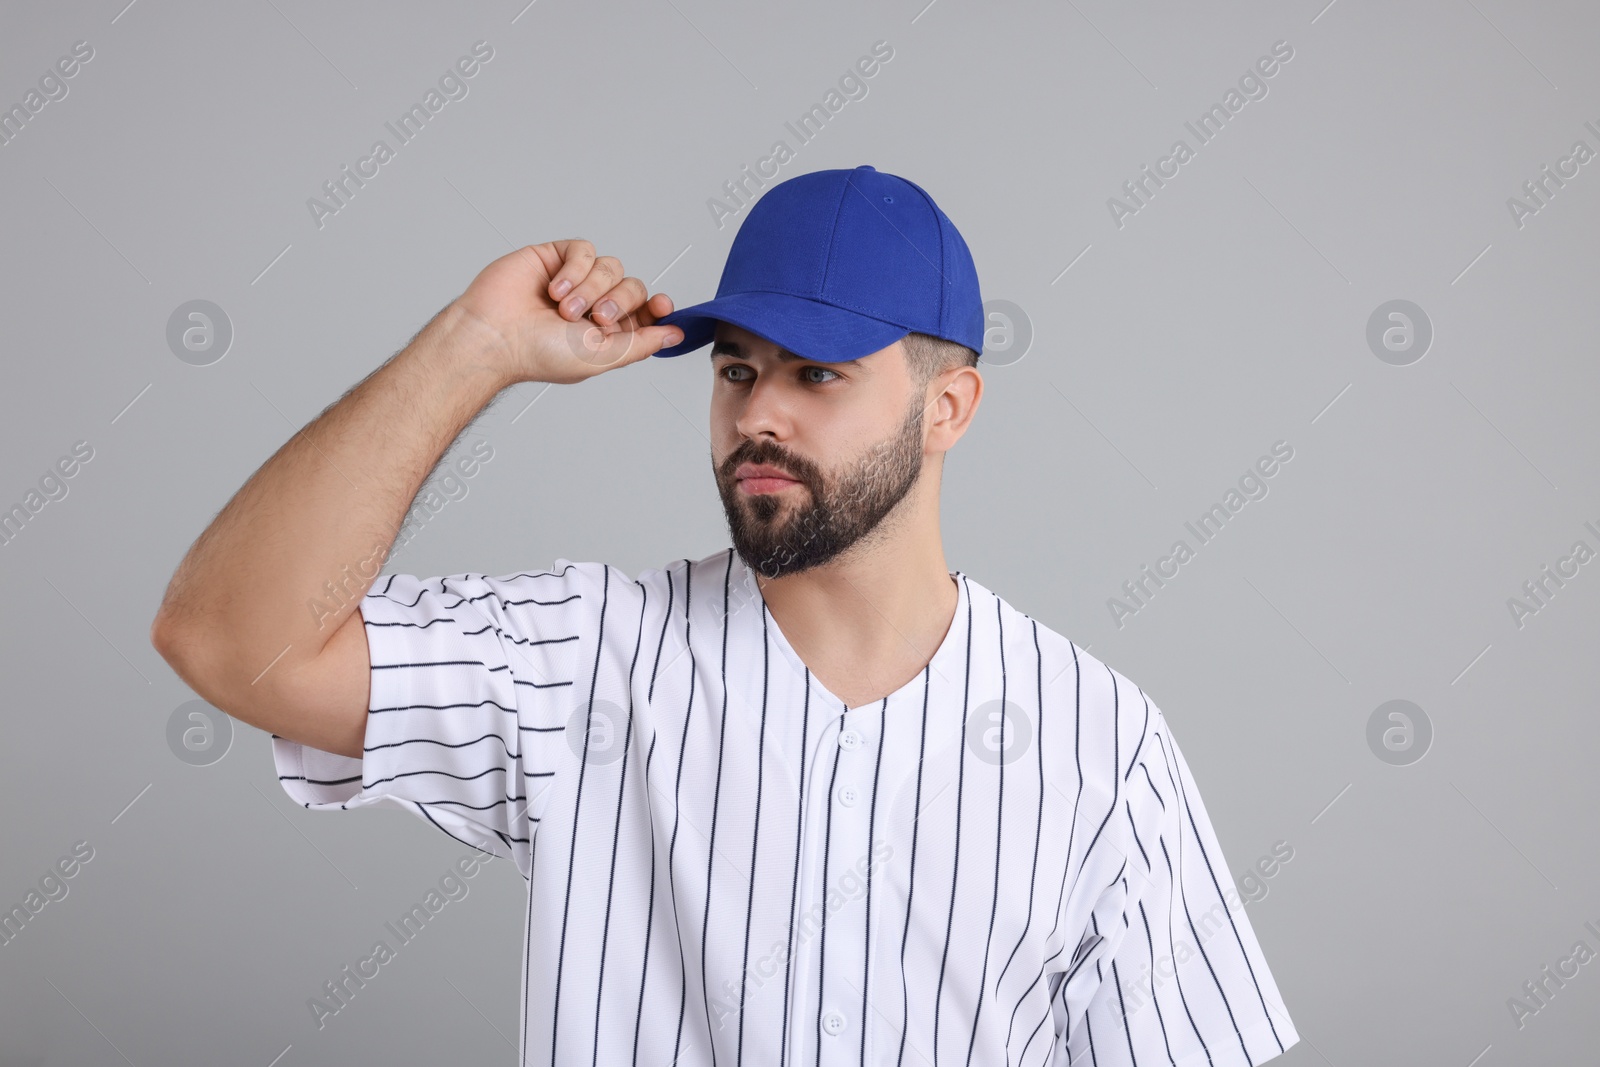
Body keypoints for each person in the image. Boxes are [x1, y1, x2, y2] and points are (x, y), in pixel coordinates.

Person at [150, 165, 1298, 1066]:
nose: (760, 415)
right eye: (738, 370)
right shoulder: (584, 658)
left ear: (947, 407)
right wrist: (476, 347)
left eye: (819, 373)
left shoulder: (1099, 743)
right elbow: (228, 635)